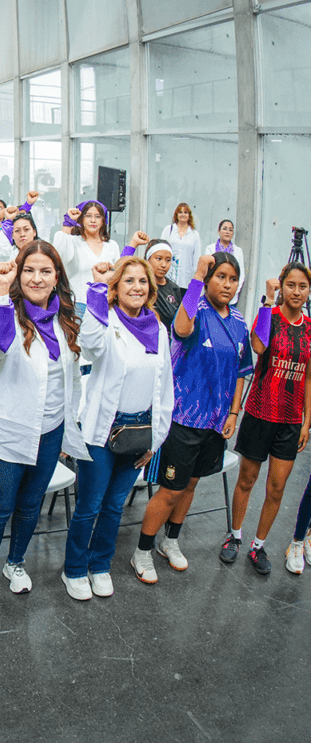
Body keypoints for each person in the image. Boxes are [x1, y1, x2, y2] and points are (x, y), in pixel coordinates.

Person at [0, 241, 89, 602]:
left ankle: (16, 562)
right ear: (18, 274)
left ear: (57, 277)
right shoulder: (6, 314)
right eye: (29, 270)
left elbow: (73, 378)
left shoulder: (67, 321)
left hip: (51, 430)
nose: (36, 278)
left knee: (30, 506)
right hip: (8, 431)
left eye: (45, 271)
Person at [131, 253, 252, 583]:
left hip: (215, 423)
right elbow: (181, 329)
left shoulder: (239, 321)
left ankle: (170, 541)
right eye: (220, 277)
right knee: (171, 489)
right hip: (184, 420)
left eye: (232, 278)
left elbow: (242, 370)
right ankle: (141, 550)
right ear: (208, 280)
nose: (226, 284)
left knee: (192, 485)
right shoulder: (194, 309)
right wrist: (197, 275)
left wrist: (233, 412)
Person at [62, 256, 173, 600]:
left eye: (142, 281)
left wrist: (156, 438)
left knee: (114, 506)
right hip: (102, 430)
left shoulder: (158, 327)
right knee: (90, 505)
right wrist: (95, 289)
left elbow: (165, 386)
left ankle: (100, 565)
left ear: (150, 288)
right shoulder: (105, 321)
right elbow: (91, 346)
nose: (136, 287)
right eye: (128, 281)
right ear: (116, 288)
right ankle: (75, 569)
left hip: (139, 431)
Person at [223, 265, 311, 575]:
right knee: (247, 480)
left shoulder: (310, 327)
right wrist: (268, 302)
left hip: (289, 421)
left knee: (276, 488)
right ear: (282, 287)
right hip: (260, 413)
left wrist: (306, 421)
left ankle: (258, 546)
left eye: (302, 286)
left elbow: (309, 378)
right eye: (290, 285)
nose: (296, 291)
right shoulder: (270, 316)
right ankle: (234, 537)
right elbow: (258, 348)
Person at [54, 201, 121, 315]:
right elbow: (56, 258)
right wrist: (68, 223)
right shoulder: (72, 241)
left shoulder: (112, 245)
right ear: (82, 219)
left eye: (97, 216)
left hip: (105, 304)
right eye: (88, 216)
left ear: (103, 221)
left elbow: (119, 274)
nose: (93, 220)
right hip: (77, 305)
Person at [141, 238, 182, 331]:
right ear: (148, 259)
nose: (163, 265)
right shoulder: (142, 285)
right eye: (159, 259)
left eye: (168, 260)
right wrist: (133, 244)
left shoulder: (174, 288)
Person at [204, 219, 245, 304]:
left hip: (231, 297)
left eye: (230, 230)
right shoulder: (210, 249)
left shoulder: (238, 251)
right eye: (225, 229)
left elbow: (241, 274)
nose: (228, 232)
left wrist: (233, 290)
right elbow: (206, 271)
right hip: (213, 294)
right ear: (219, 231)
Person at [163, 202, 200, 284]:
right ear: (176, 215)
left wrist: (195, 275)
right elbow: (161, 249)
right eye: (180, 212)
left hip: (186, 278)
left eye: (185, 212)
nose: (183, 214)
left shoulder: (194, 234)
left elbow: (196, 256)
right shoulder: (169, 230)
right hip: (169, 275)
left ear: (189, 216)